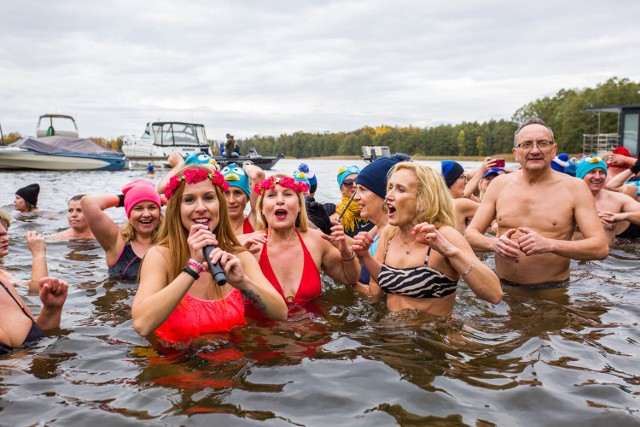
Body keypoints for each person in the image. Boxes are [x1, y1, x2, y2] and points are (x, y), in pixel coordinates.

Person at [131, 165, 287, 345]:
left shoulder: (238, 256)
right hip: (176, 365)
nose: (201, 207)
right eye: (189, 200)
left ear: (219, 204)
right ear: (176, 209)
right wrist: (192, 268)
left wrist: (242, 282)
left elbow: (280, 313)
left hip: (229, 366)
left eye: (209, 198)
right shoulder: (160, 256)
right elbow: (142, 325)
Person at [465, 118, 609, 286]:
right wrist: (494, 244)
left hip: (551, 292)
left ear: (554, 150)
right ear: (515, 153)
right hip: (502, 289)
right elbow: (470, 235)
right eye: (526, 144)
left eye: (542, 143)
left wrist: (550, 244)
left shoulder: (575, 188)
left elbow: (600, 247)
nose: (535, 150)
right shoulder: (499, 184)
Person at [352, 162, 502, 316]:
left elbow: (495, 295)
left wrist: (451, 252)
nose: (388, 196)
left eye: (400, 189)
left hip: (433, 335)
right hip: (391, 334)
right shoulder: (389, 233)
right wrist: (365, 256)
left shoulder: (445, 235)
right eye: (390, 188)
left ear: (423, 199)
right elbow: (385, 282)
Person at [247, 174, 359, 317]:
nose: (280, 200)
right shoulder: (246, 245)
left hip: (312, 336)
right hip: (263, 337)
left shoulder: (317, 241)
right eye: (271, 195)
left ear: (300, 206)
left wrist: (346, 252)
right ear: (262, 208)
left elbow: (350, 279)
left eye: (287, 194)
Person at [0, 210, 68, 355]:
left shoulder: (4, 284)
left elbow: (38, 343)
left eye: (5, 232)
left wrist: (52, 309)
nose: (3, 235)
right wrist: (38, 254)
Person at [81, 180, 163, 281]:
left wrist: (159, 199)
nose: (146, 214)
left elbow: (183, 203)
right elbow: (88, 203)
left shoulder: (171, 239)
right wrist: (123, 199)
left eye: (152, 207)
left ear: (159, 211)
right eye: (138, 208)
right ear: (129, 213)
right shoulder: (117, 241)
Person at [351, 154, 410, 294]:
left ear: (384, 194)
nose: (355, 197)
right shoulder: (378, 228)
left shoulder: (393, 234)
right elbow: (355, 247)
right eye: (356, 190)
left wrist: (345, 280)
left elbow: (375, 295)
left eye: (363, 189)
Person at [573, 157, 640, 243]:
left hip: (610, 255)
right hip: (576, 255)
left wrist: (622, 216)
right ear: (580, 175)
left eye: (601, 172)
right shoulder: (569, 199)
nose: (597, 177)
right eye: (592, 172)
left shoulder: (616, 199)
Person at [325, 165, 373, 237]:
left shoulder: (373, 208)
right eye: (348, 182)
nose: (354, 185)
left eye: (357, 180)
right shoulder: (336, 215)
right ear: (342, 190)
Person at [221, 162, 264, 235]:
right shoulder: (213, 224)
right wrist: (215, 166)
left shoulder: (253, 221)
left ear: (248, 198)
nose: (231, 200)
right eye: (226, 193)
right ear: (218, 197)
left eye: (237, 193)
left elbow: (258, 175)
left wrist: (246, 165)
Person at [441, 160, 479, 233]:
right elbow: (496, 212)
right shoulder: (459, 204)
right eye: (462, 177)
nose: (466, 181)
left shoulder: (433, 205)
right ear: (449, 181)